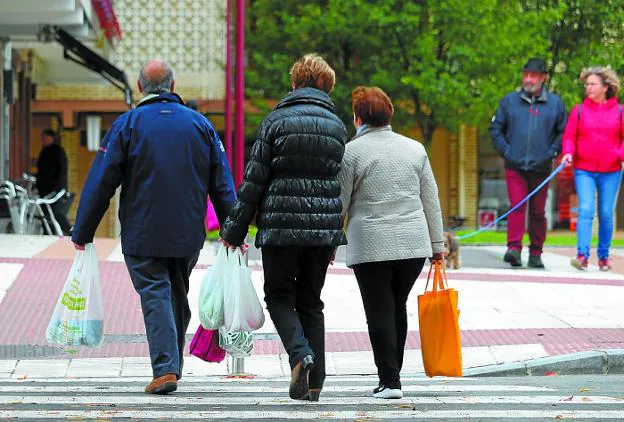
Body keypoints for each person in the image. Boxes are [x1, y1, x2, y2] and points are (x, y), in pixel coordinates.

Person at [71, 59, 237, 394]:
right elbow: (222, 182)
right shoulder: (200, 125)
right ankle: (171, 366)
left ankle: (165, 368)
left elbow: (102, 180)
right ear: (172, 86)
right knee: (176, 290)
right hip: (188, 232)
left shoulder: (128, 124)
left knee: (155, 290)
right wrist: (233, 229)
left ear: (139, 86)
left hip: (142, 230)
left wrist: (83, 231)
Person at [220, 54, 347, 402]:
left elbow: (254, 179)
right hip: (322, 230)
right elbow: (337, 183)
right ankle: (316, 381)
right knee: (311, 301)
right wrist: (335, 232)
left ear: (294, 83)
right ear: (327, 86)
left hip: (281, 227)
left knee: (278, 297)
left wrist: (234, 230)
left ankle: (300, 354)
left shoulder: (275, 121)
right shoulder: (338, 127)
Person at [337, 86, 445, 399]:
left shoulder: (351, 152)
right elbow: (431, 201)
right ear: (390, 115)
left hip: (371, 244)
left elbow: (341, 202)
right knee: (397, 305)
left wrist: (330, 241)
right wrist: (437, 246)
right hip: (412, 245)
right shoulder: (416, 149)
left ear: (358, 119)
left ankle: (390, 380)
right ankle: (393, 375)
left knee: (378, 308)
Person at [490, 58, 567, 269]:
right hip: (515, 166)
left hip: (541, 168)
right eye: (526, 75)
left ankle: (536, 253)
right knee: (516, 206)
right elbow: (496, 130)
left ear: (543, 78)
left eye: (533, 75)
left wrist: (551, 152)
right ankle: (513, 249)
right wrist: (507, 151)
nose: (528, 79)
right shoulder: (509, 102)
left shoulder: (555, 104)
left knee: (537, 212)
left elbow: (562, 132)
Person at [562, 67, 623, 271]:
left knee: (606, 213)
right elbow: (569, 136)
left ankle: (604, 258)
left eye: (593, 84)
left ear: (605, 87)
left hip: (611, 171)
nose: (588, 87)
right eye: (587, 84)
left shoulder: (620, 112)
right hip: (584, 169)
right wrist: (568, 152)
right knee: (586, 210)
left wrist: (618, 155)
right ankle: (582, 256)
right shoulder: (579, 110)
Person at [36, 129, 71, 235]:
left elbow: (62, 171)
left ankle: (70, 232)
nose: (42, 140)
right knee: (46, 212)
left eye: (44, 137)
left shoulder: (57, 151)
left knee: (56, 213)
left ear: (50, 138)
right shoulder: (44, 151)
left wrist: (60, 188)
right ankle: (47, 232)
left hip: (54, 189)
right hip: (44, 189)